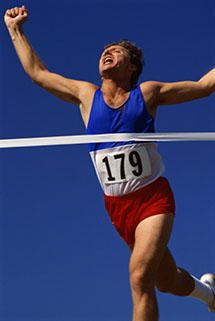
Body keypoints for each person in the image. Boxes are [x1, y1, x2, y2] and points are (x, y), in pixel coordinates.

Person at [4, 5, 215, 321]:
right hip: (118, 209)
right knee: (166, 280)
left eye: (116, 52)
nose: (107, 54)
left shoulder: (146, 93)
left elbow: (204, 86)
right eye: (105, 51)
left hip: (153, 199)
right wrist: (14, 29)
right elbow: (39, 74)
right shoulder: (87, 96)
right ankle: (209, 294)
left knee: (139, 277)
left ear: (131, 67)